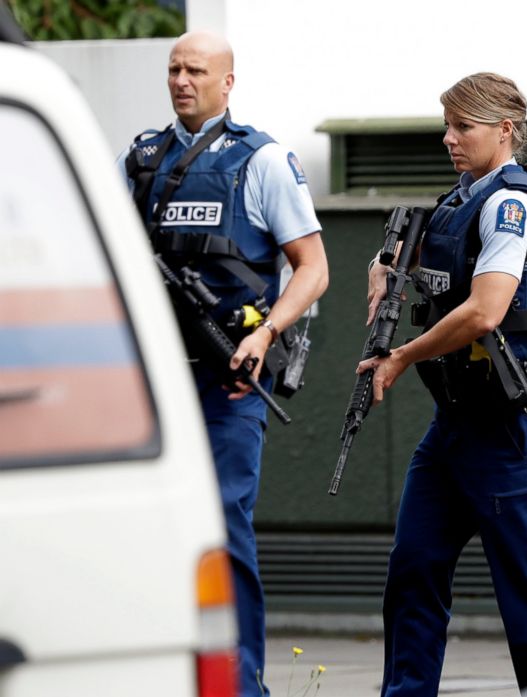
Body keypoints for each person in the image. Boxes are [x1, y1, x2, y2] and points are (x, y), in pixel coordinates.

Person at [116, 31, 328, 696]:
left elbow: (314, 268)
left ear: (227, 81)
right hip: (155, 380)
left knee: (224, 528)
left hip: (229, 379)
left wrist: (268, 332)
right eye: (173, 69)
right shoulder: (144, 158)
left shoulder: (260, 160)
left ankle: (244, 686)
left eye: (196, 70)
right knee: (149, 532)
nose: (181, 80)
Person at [360, 72, 527, 695]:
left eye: (464, 127)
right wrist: (382, 266)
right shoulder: (461, 198)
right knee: (413, 571)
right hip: (455, 424)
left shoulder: (512, 203)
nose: (449, 139)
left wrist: (401, 355)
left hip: (513, 428)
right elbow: (429, 261)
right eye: (447, 126)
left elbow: (486, 309)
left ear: (505, 130)